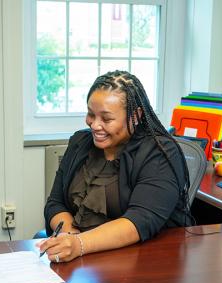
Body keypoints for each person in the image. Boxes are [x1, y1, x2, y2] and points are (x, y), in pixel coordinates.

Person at [37, 70, 192, 263]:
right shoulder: (80, 143)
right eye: (90, 114)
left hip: (143, 262)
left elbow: (139, 221)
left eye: (106, 119)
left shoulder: (160, 153)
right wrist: (69, 237)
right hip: (87, 259)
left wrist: (79, 244)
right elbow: (55, 203)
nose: (94, 125)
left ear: (135, 116)